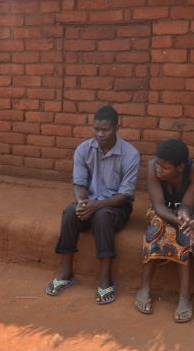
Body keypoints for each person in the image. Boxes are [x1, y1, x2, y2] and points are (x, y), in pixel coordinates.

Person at [45, 106, 140, 304]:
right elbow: (79, 183)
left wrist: (96, 206)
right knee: (70, 213)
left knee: (102, 216)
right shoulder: (83, 149)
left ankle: (105, 279)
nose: (99, 134)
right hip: (91, 202)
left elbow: (125, 195)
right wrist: (81, 202)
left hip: (117, 207)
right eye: (96, 129)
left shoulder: (130, 154)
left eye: (105, 130)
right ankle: (66, 271)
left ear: (116, 127)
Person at [136, 139, 194, 323]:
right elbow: (158, 206)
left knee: (184, 235)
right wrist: (177, 221)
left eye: (165, 168)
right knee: (158, 228)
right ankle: (145, 286)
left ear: (180, 167)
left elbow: (187, 206)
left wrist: (183, 219)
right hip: (162, 210)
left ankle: (185, 295)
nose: (158, 169)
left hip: (189, 210)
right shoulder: (153, 166)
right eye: (158, 164)